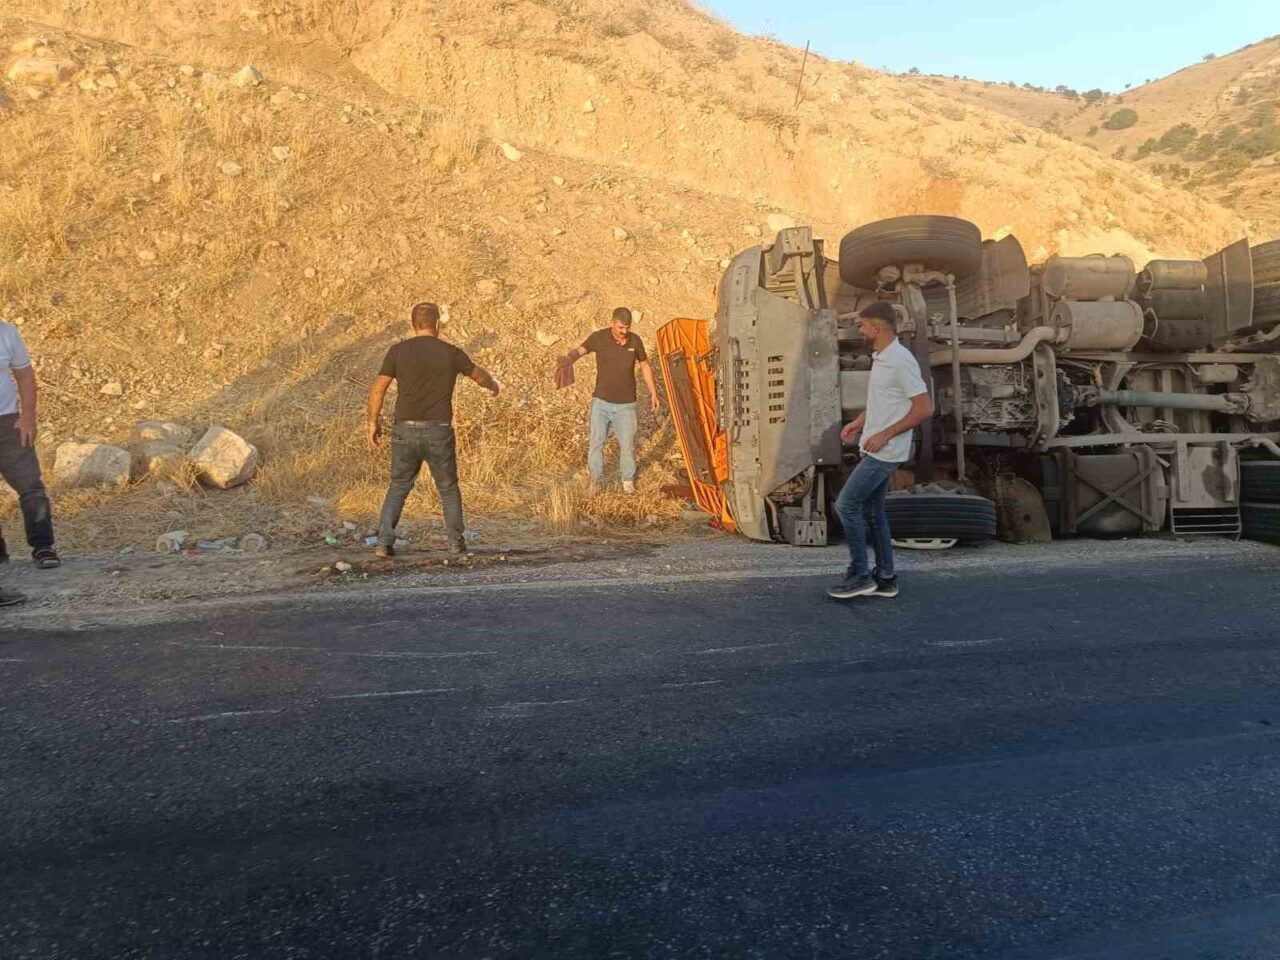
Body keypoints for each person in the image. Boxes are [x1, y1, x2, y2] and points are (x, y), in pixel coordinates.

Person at [366, 302, 499, 558]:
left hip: (404, 429)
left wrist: (373, 421)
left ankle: (383, 542)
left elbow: (378, 388)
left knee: (398, 486)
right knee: (447, 488)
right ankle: (455, 542)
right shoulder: (451, 352)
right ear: (437, 324)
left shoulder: (397, 351)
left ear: (413, 324)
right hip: (439, 430)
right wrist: (492, 385)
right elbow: (478, 375)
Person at [828, 301, 933, 600]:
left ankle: (861, 576)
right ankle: (886, 578)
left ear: (877, 327)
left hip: (884, 451)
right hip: (875, 446)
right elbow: (884, 402)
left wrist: (885, 434)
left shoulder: (900, 360)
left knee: (846, 506)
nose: (859, 330)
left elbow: (923, 408)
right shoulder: (883, 357)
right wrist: (858, 423)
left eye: (862, 325)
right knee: (874, 513)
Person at [558, 307, 660, 494]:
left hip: (626, 406)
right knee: (596, 443)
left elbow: (645, 365)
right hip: (601, 403)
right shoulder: (599, 338)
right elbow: (581, 350)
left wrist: (653, 392)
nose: (624, 331)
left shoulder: (635, 341)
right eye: (621, 327)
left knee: (628, 446)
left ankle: (627, 481)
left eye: (627, 327)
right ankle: (595, 481)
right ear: (612, 323)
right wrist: (569, 358)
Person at [0, 319, 59, 571]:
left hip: (9, 423)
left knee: (31, 486)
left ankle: (43, 547)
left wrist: (28, 417)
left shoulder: (6, 332)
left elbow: (24, 375)